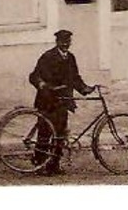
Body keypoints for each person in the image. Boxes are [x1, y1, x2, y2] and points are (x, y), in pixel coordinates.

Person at [28, 29, 92, 174]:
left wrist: (85, 89)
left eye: (68, 42)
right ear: (57, 42)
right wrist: (42, 85)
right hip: (48, 100)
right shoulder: (48, 56)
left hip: (63, 101)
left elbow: (75, 78)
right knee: (45, 133)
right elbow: (34, 76)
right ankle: (39, 163)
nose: (65, 45)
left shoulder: (70, 58)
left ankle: (54, 165)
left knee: (60, 133)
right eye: (63, 42)